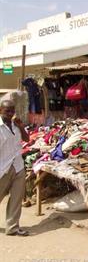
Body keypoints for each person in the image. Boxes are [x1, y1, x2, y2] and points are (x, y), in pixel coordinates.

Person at [0, 99, 30, 236]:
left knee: (16, 198)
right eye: (7, 111)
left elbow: (27, 139)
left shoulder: (16, 125)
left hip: (18, 166)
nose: (10, 113)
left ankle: (12, 227)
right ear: (0, 110)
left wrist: (21, 126)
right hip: (3, 167)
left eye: (12, 110)